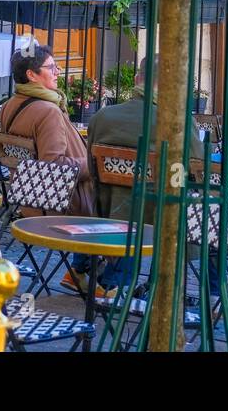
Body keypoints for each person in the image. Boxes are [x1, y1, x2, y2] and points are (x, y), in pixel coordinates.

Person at [77, 56, 203, 298]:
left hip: (110, 210)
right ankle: (211, 295)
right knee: (211, 208)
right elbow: (196, 170)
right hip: (158, 217)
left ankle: (110, 280)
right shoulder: (177, 123)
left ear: (137, 80)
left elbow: (93, 171)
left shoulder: (101, 118)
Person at [0, 44, 94, 217]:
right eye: (51, 68)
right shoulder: (48, 111)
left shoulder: (8, 105)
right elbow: (54, 167)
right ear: (31, 75)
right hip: (65, 205)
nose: (57, 72)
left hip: (27, 199)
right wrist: (93, 163)